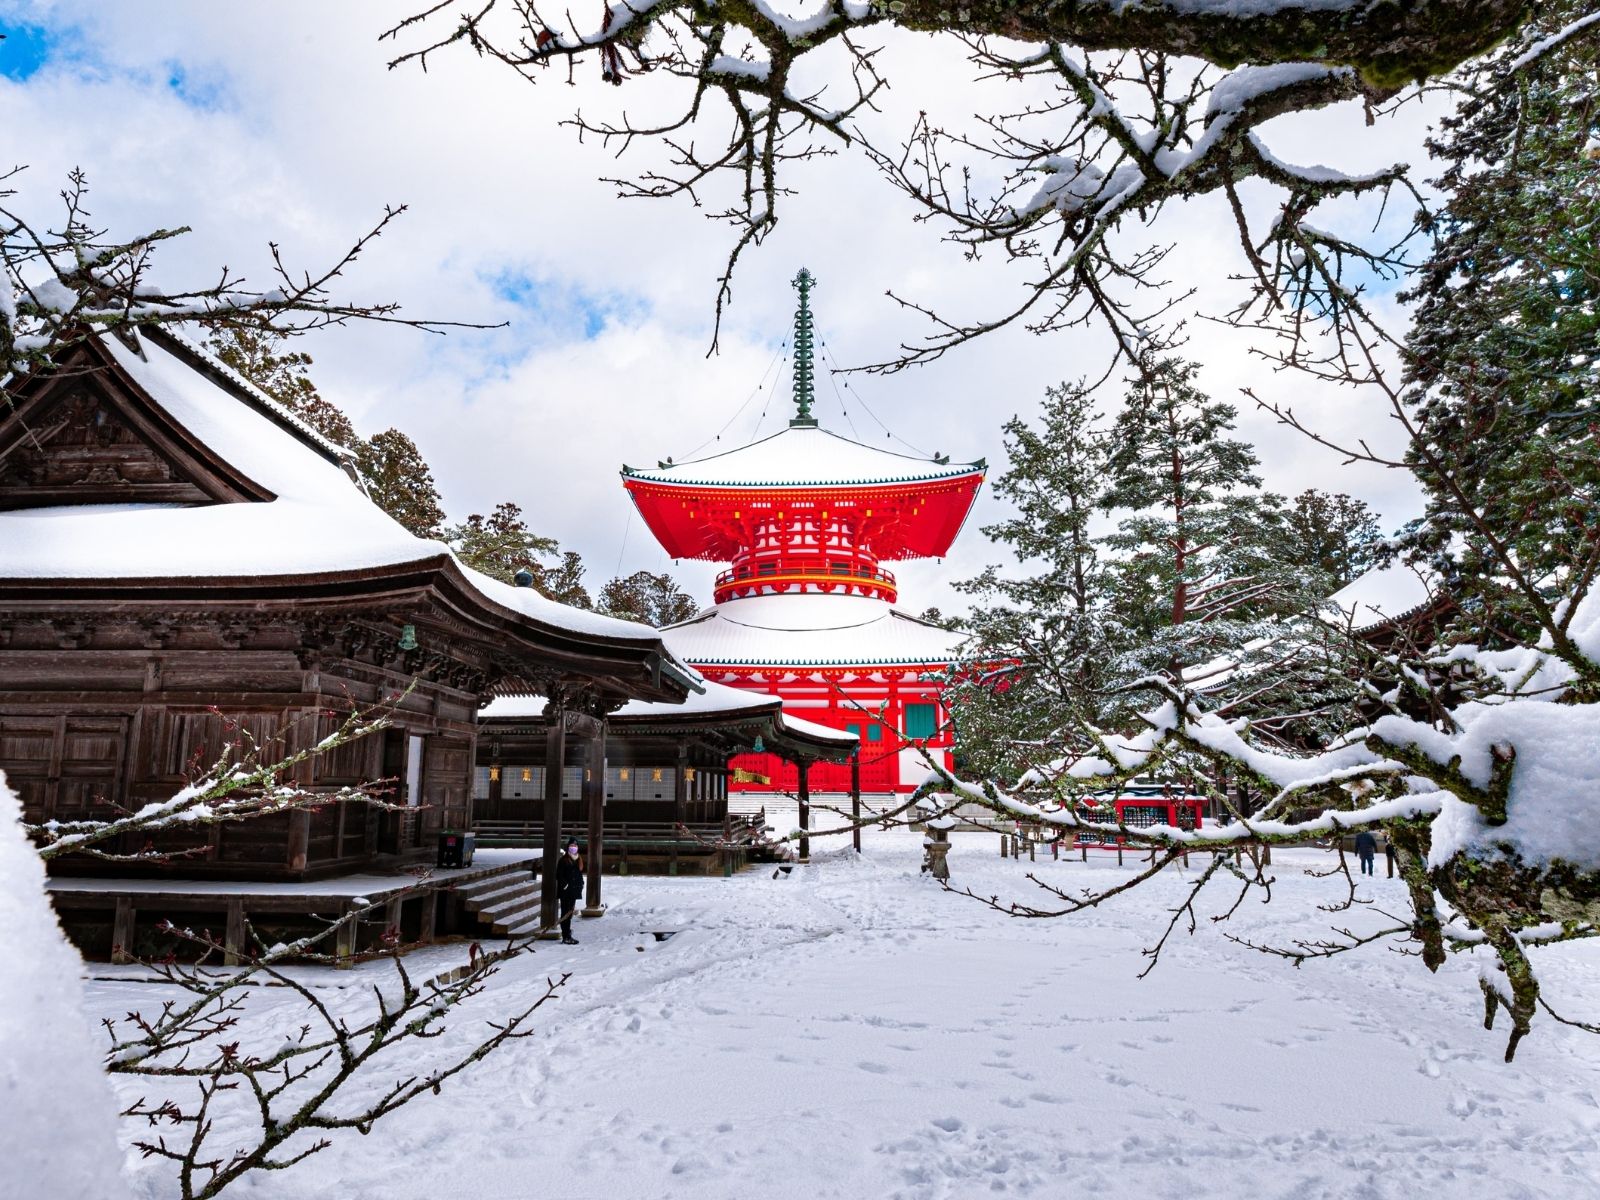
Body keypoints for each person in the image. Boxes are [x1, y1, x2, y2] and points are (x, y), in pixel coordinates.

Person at [556, 838, 584, 945]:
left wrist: (581, 884)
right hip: (566, 892)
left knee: (570, 913)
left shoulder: (577, 860)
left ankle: (567, 933)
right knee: (565, 913)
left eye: (575, 846)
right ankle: (565, 936)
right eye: (571, 846)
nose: (573, 848)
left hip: (574, 891)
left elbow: (578, 874)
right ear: (568, 847)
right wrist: (565, 886)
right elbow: (559, 875)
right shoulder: (563, 860)